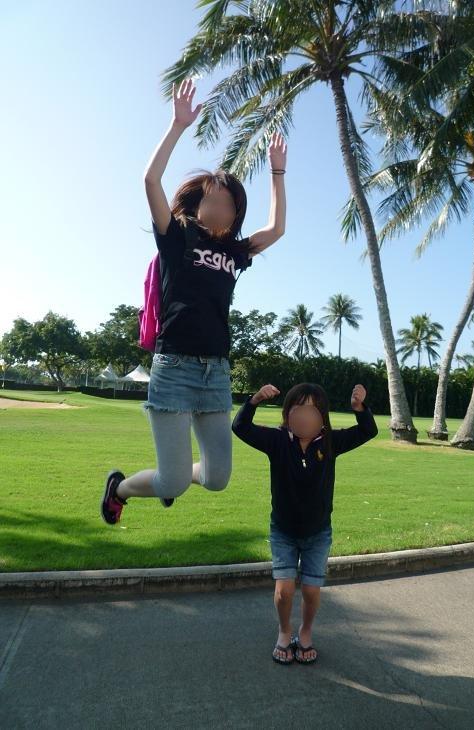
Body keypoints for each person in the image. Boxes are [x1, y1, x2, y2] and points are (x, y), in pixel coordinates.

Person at [101, 78, 287, 525]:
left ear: (236, 215)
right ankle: (120, 488)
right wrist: (178, 125)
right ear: (198, 206)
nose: (221, 209)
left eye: (229, 205)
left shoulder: (235, 252)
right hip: (174, 368)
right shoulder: (177, 236)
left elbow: (277, 229)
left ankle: (173, 480)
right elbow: (150, 180)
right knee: (173, 482)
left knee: (217, 478)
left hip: (215, 372)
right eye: (213, 201)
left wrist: (277, 174)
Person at [232, 382, 378, 664]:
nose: (304, 416)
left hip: (318, 532)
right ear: (288, 413)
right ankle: (284, 631)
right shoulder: (277, 441)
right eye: (298, 409)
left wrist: (360, 408)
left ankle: (306, 631)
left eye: (312, 410)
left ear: (323, 416)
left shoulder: (331, 442)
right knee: (284, 590)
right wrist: (255, 400)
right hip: (283, 531)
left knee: (311, 590)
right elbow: (240, 427)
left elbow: (367, 431)